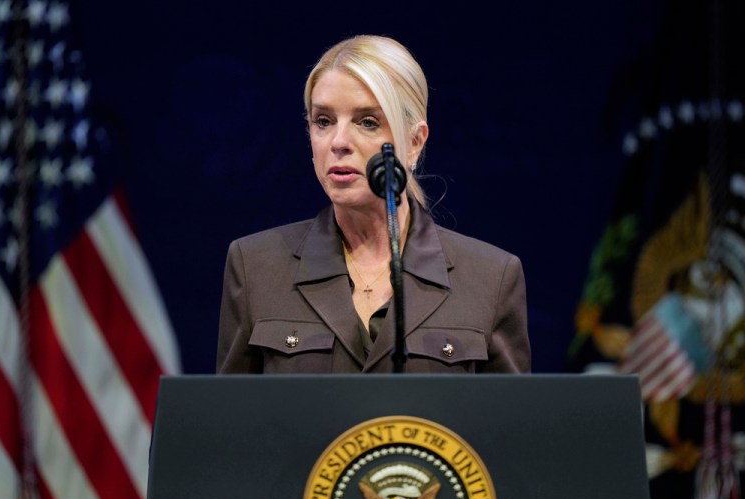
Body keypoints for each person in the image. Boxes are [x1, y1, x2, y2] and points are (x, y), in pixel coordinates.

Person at [216, 35, 530, 373]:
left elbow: (507, 425)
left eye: (367, 122)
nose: (338, 142)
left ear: (414, 142)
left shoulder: (490, 278)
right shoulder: (256, 267)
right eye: (323, 121)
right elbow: (231, 421)